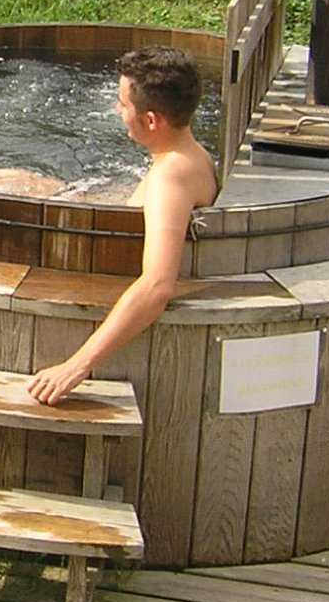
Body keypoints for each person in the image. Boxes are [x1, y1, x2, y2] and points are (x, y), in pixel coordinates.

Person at [27, 47, 217, 405]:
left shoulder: (171, 177)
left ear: (150, 121)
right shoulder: (191, 154)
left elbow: (158, 285)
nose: (118, 111)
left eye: (123, 104)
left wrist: (76, 366)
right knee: (19, 180)